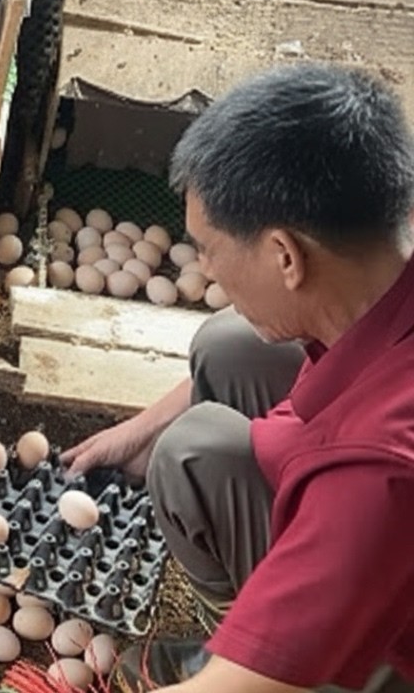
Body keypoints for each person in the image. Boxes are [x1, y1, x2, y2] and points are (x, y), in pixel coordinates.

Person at [61, 62, 414, 692]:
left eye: (210, 249)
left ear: (285, 255)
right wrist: (139, 430)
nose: (204, 269)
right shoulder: (383, 269)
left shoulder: (373, 471)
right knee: (228, 346)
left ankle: (315, 666)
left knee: (193, 453)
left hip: (389, 637)